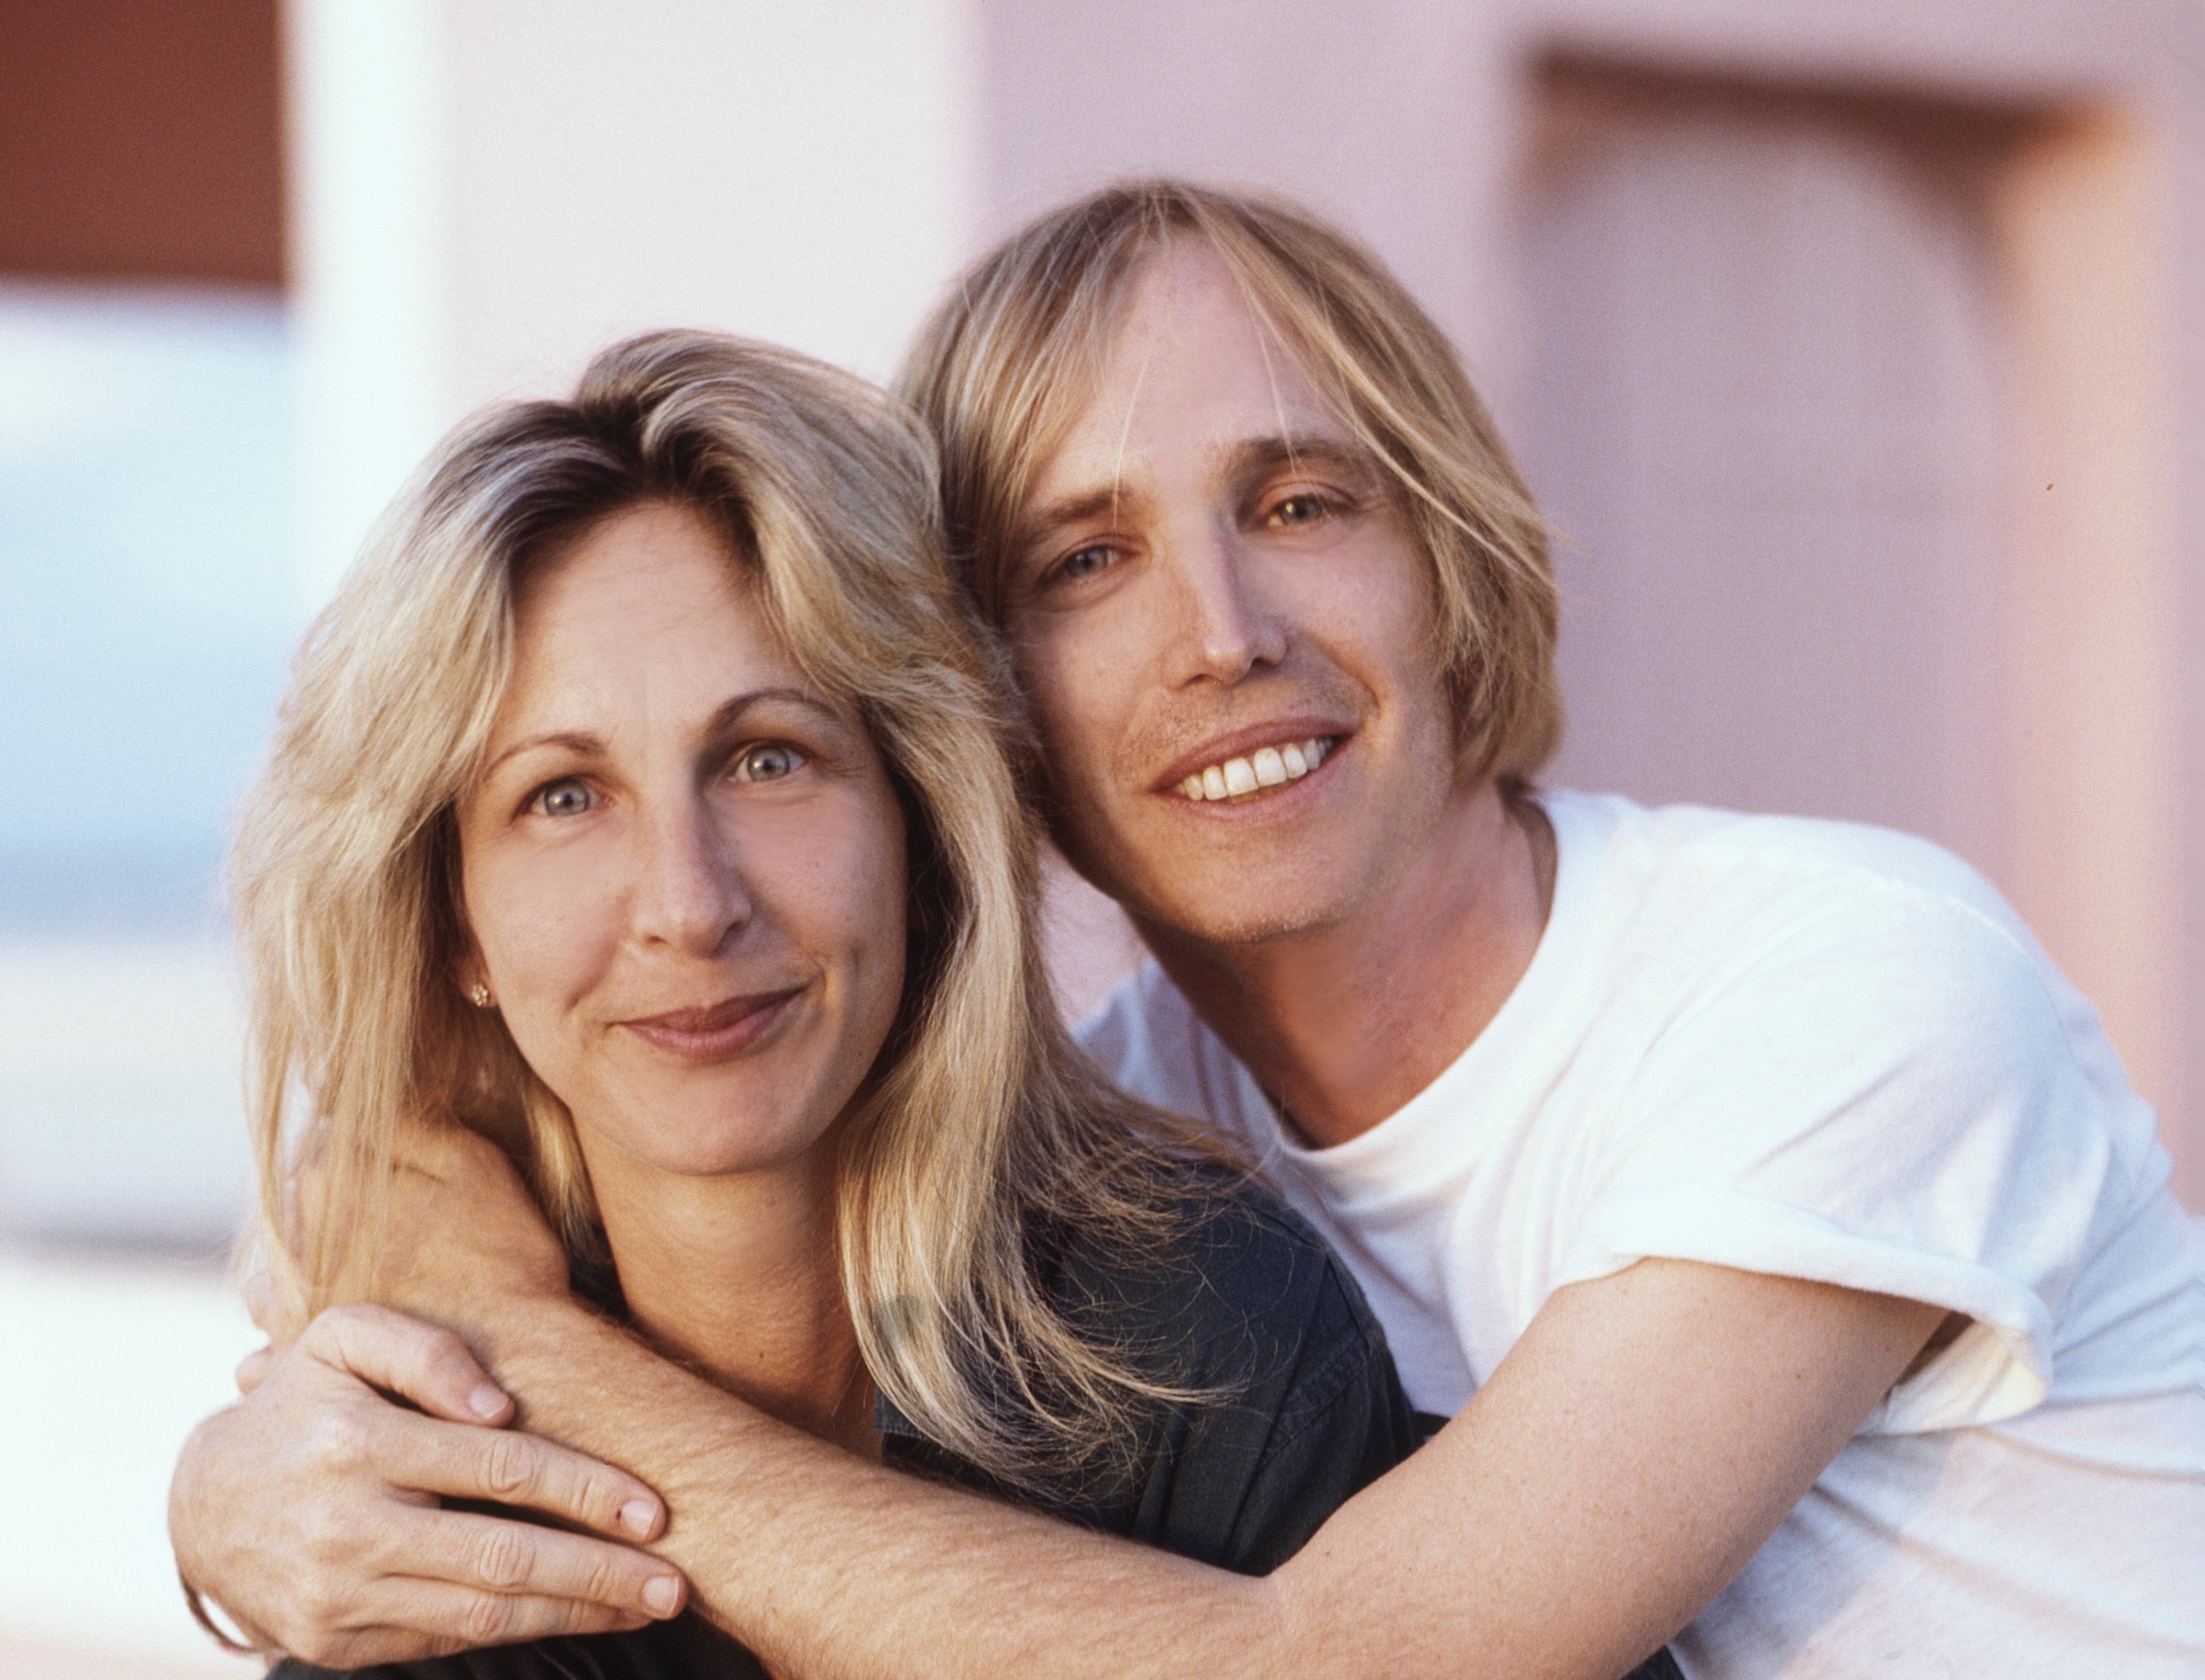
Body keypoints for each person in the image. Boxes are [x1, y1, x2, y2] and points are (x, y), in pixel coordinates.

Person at [172, 183, 2205, 1678]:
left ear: (1448, 551)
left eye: (1302, 502)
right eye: (1085, 558)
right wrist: (231, 1497)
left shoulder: (1837, 985)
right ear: (975, 703)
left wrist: (534, 1363)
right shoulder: (1112, 1158)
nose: (1220, 636)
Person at [187, 328, 1442, 1678]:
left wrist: (532, 1352)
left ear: (919, 828)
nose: (689, 901)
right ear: (455, 930)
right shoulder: (407, 1461)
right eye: (562, 797)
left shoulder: (1201, 1342)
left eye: (768, 759)